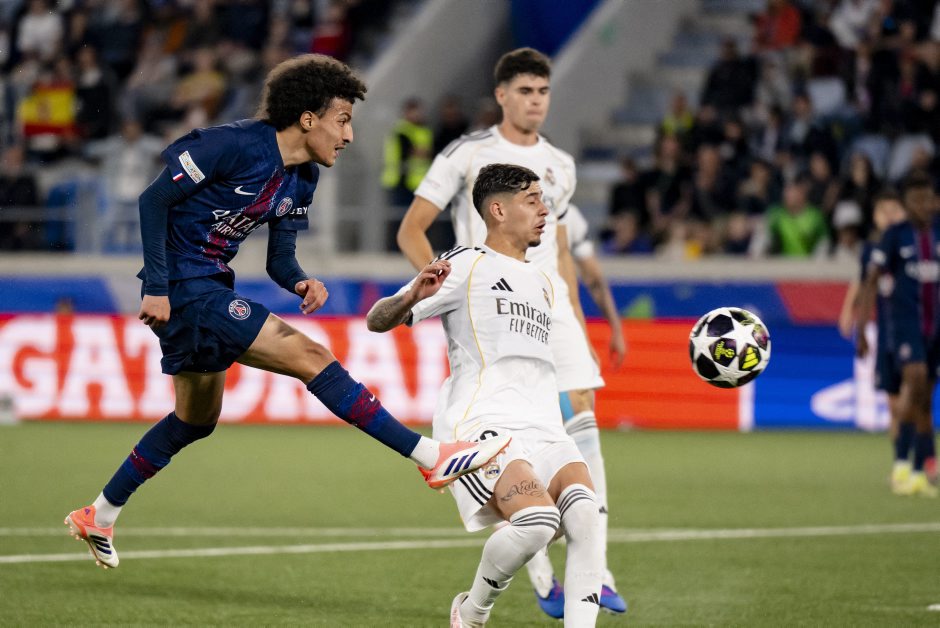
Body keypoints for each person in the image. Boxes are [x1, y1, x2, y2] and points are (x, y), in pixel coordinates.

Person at [64, 54, 510, 569]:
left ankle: (99, 514)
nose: (349, 135)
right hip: (186, 289)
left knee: (194, 420)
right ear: (308, 118)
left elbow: (279, 258)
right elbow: (153, 200)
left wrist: (299, 280)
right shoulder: (231, 145)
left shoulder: (302, 178)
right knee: (311, 356)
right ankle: (430, 457)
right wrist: (158, 288)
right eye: (343, 120)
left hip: (208, 287)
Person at [395, 47, 627, 617]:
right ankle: (542, 570)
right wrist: (451, 289)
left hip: (550, 303)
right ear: (502, 96)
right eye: (525, 91)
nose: (536, 102)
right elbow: (411, 229)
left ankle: (594, 559)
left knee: (579, 414)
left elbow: (562, 251)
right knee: (515, 445)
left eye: (543, 92)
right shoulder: (468, 153)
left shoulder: (560, 165)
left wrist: (578, 321)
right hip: (493, 300)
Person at [367, 164, 603, 627]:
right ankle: (472, 611)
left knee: (585, 518)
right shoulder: (464, 264)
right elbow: (377, 320)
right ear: (498, 210)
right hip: (483, 425)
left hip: (544, 427)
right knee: (538, 523)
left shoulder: (542, 281)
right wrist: (411, 296)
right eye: (532, 200)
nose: (544, 209)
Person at [856, 172, 939, 496]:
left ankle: (918, 472)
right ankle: (901, 464)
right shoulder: (895, 236)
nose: (922, 205)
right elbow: (870, 281)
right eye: (915, 200)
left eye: (926, 199)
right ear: (907, 204)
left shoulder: (937, 233)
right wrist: (862, 329)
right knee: (914, 380)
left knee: (924, 400)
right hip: (906, 326)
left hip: (935, 329)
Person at [843, 190, 907, 488]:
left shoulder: (916, 245)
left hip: (917, 331)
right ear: (875, 216)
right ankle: (902, 465)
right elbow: (862, 283)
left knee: (914, 401)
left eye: (895, 210)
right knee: (894, 404)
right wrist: (850, 312)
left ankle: (923, 460)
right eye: (884, 211)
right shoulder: (871, 250)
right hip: (886, 333)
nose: (890, 217)